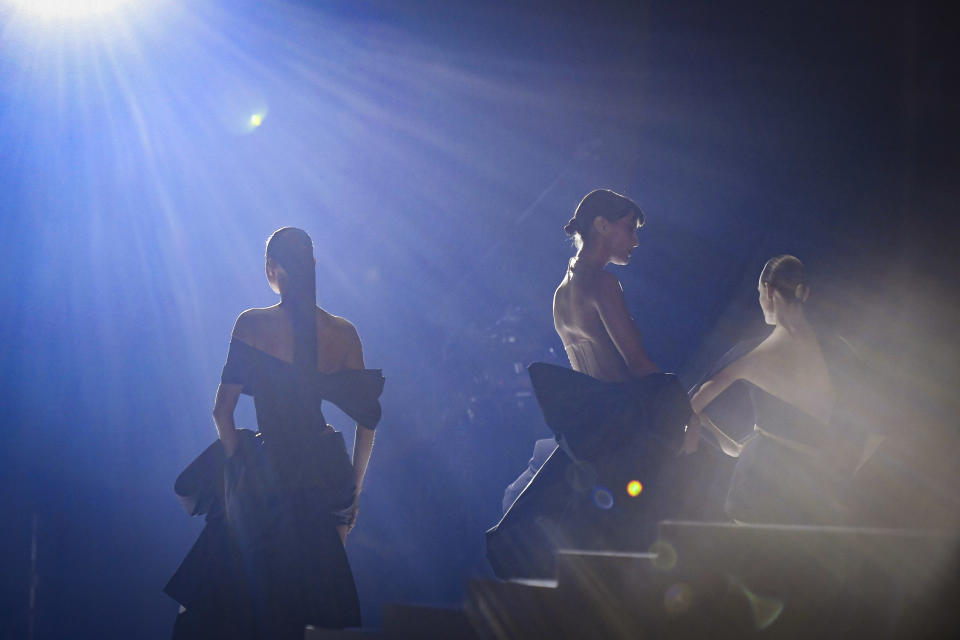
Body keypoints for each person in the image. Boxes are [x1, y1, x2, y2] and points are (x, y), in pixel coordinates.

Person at [165, 227, 384, 639]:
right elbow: (368, 419)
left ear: (272, 269)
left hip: (266, 475)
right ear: (314, 267)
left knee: (236, 593)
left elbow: (221, 411)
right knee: (311, 606)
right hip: (321, 475)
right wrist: (352, 489)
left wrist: (238, 467)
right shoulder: (343, 333)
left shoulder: (252, 324)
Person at [487, 189, 692, 579]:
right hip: (628, 433)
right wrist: (688, 415)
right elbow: (638, 365)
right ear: (601, 225)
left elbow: (584, 379)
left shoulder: (560, 294)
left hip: (588, 435)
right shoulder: (603, 285)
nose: (635, 240)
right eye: (629, 228)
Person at [688, 254, 856, 524]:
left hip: (759, 482)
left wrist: (721, 438)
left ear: (767, 291)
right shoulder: (839, 351)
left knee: (752, 563)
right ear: (804, 293)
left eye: (758, 292)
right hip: (818, 485)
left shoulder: (751, 355)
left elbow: (689, 407)